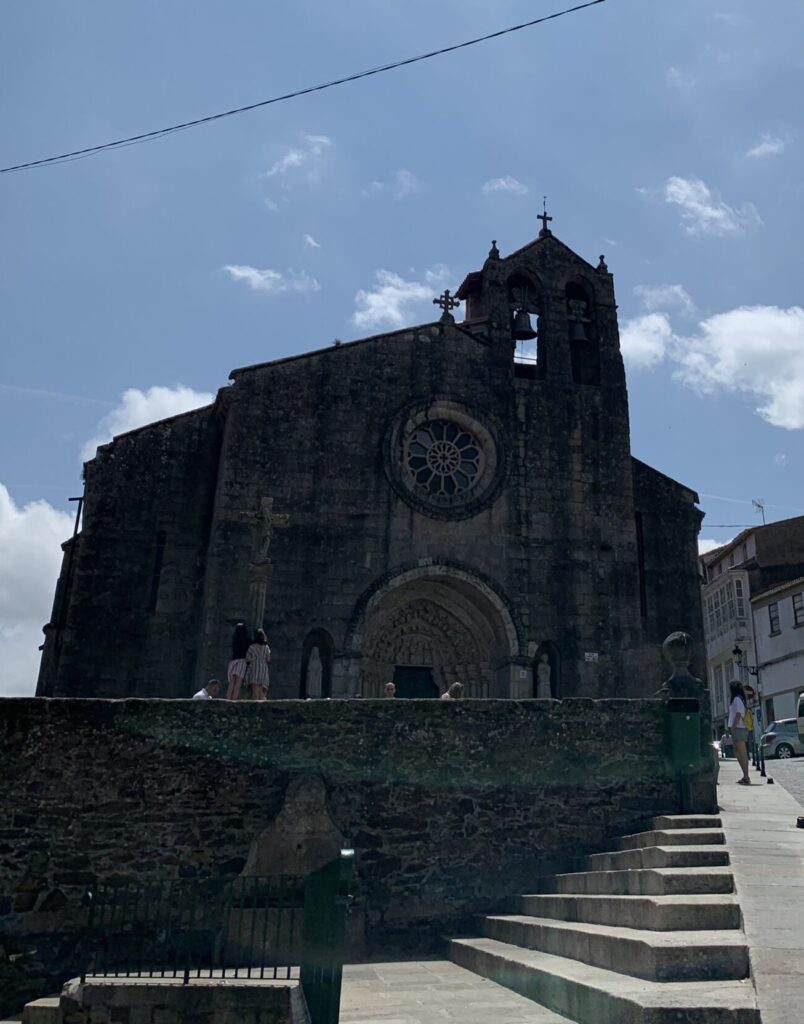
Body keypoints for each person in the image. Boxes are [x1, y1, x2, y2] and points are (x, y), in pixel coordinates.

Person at [727, 680, 751, 784]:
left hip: (739, 728)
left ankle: (746, 776)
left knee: (742, 753)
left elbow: (738, 713)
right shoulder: (736, 699)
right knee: (738, 753)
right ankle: (745, 775)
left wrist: (734, 725)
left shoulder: (737, 699)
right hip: (738, 728)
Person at [245, 628, 271, 701]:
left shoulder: (252, 647)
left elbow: (247, 659)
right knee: (261, 691)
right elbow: (268, 659)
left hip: (254, 668)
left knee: (255, 692)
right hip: (263, 669)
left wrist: (254, 658)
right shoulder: (266, 647)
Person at [226, 622, 250, 701]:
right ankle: (234, 699)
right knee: (238, 683)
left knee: (232, 682)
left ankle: (228, 699)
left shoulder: (235, 640)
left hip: (233, 661)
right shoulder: (247, 641)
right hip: (242, 661)